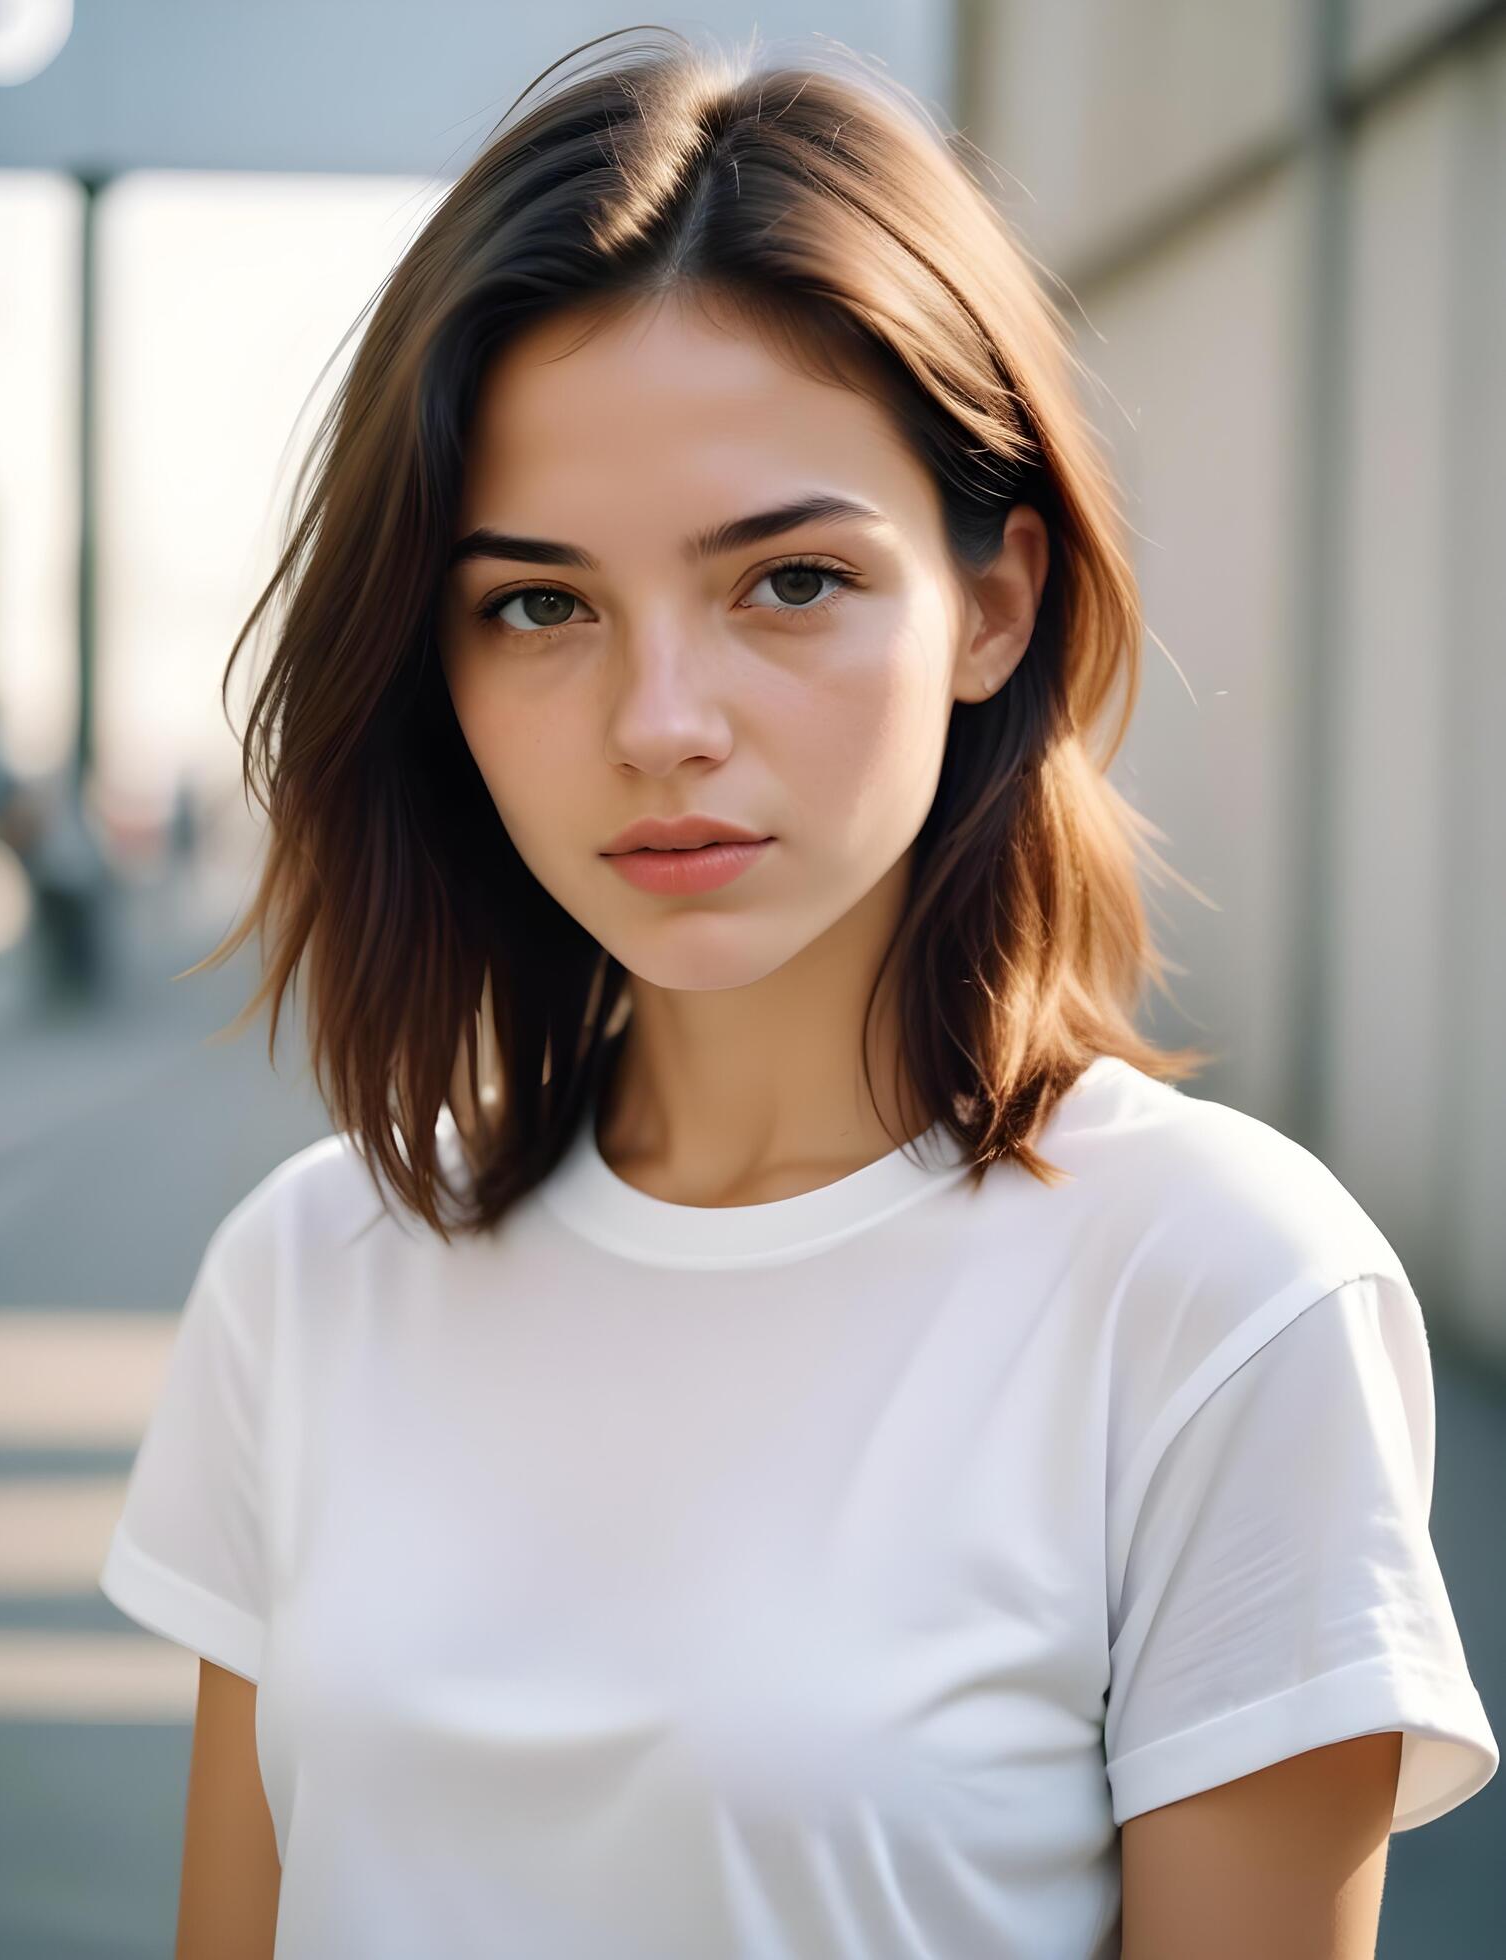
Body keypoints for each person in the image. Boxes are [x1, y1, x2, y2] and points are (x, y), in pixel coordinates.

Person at [97, 26, 1497, 1959]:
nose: (659, 724)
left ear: (993, 599)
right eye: (540, 604)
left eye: (787, 583)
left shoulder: (1221, 1299)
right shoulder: (313, 1272)